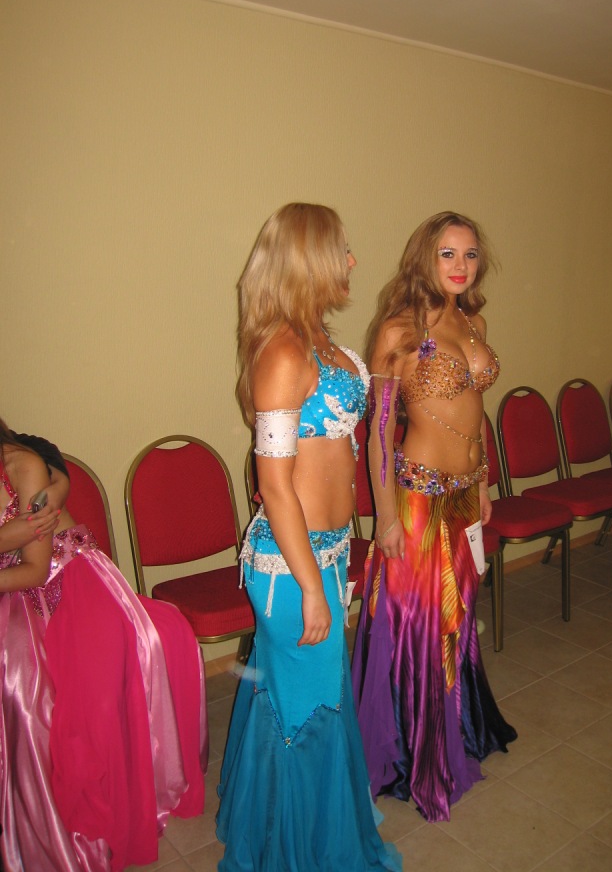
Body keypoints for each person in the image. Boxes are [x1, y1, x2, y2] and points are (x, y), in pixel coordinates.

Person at [216, 203, 401, 872]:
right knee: (308, 709)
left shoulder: (321, 340)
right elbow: (275, 486)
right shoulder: (283, 353)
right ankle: (296, 854)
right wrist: (312, 589)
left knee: (303, 700)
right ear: (308, 259)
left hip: (324, 551)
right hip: (292, 567)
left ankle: (287, 830)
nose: (351, 260)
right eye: (340, 250)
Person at [351, 211, 517, 823]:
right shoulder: (400, 329)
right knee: (421, 625)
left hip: (465, 493)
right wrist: (385, 518)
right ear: (425, 258)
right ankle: (414, 752)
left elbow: (477, 409)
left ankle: (459, 726)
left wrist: (483, 479)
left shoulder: (472, 320)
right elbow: (377, 434)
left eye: (470, 254)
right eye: (448, 254)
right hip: (417, 496)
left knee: (459, 616)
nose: (460, 265)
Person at [0, 421, 208, 872]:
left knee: (73, 690)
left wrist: (44, 500)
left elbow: (37, 560)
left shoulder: (24, 460)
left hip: (71, 577)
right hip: (19, 595)